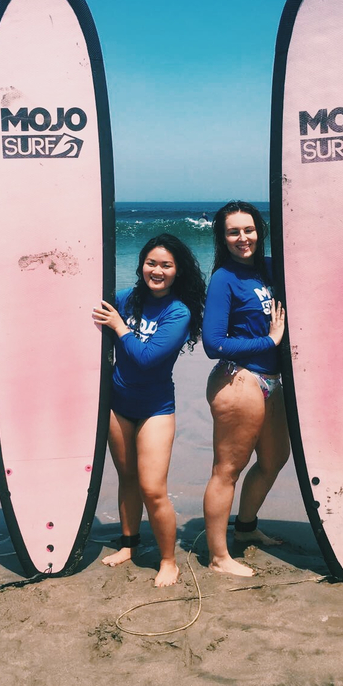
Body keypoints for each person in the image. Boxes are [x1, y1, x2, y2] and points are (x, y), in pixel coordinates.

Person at [92, 233, 205, 587]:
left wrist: (119, 327)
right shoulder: (127, 298)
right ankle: (128, 544)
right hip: (118, 404)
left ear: (178, 271)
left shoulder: (179, 312)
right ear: (142, 265)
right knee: (126, 479)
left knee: (153, 488)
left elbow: (146, 358)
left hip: (155, 408)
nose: (156, 271)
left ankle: (168, 561)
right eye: (151, 263)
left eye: (166, 265)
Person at [201, 201, 290, 576]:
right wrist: (268, 342)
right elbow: (212, 343)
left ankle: (247, 529)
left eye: (248, 229)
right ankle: (219, 557)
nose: (243, 238)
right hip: (240, 379)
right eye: (233, 232)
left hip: (273, 381)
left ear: (260, 231)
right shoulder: (225, 278)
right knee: (227, 470)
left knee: (273, 461)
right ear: (223, 238)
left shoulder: (270, 269)